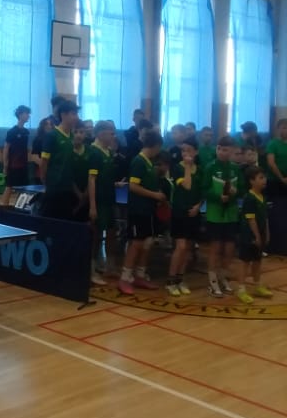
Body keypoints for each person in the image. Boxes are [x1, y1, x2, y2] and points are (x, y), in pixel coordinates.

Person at [119, 130, 165, 295]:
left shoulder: (149, 163)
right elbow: (133, 186)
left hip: (149, 210)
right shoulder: (139, 161)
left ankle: (140, 275)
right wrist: (154, 195)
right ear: (156, 146)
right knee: (137, 243)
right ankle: (125, 278)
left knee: (147, 243)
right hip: (138, 210)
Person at [204, 136, 242, 297]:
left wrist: (235, 192)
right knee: (215, 248)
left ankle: (223, 277)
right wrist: (217, 197)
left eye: (225, 149)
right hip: (215, 214)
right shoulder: (210, 167)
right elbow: (204, 189)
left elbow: (243, 190)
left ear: (232, 151)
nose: (221, 152)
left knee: (229, 249)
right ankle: (212, 281)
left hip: (231, 214)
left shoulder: (235, 169)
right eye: (219, 148)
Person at [165, 140, 202, 296]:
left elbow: (201, 192)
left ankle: (181, 279)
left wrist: (198, 206)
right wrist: (187, 166)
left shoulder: (200, 170)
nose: (185, 153)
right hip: (180, 211)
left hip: (194, 213)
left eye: (189, 150)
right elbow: (187, 185)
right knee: (180, 247)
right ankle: (171, 280)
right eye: (183, 151)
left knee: (187, 248)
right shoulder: (177, 168)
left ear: (196, 152)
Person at [86, 120, 119, 285]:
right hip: (98, 201)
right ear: (101, 134)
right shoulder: (94, 153)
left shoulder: (109, 152)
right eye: (111, 133)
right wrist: (92, 206)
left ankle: (110, 267)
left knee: (112, 232)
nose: (114, 136)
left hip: (109, 199)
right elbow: (92, 180)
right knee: (96, 236)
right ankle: (91, 270)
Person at [37, 100, 81, 220]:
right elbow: (44, 162)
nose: (76, 117)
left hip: (68, 188)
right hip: (54, 188)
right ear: (63, 115)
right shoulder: (52, 136)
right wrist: (46, 181)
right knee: (49, 220)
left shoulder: (72, 137)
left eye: (76, 114)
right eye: (73, 114)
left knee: (65, 221)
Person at [236, 166, 273, 304]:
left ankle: (257, 285)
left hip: (260, 233)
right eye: (261, 178)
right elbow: (251, 220)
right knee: (245, 261)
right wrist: (256, 236)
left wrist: (266, 233)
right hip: (249, 235)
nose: (264, 180)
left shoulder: (263, 197)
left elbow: (265, 218)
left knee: (257, 260)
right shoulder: (249, 198)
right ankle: (241, 289)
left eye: (264, 177)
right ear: (252, 181)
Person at [265, 119, 287, 199]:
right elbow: (271, 163)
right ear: (278, 129)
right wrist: (282, 178)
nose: (286, 130)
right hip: (274, 180)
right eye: (284, 128)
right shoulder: (272, 144)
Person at [5, 105, 32, 199]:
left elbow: (27, 148)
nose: (28, 116)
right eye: (26, 113)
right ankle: (3, 205)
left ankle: (19, 205)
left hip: (24, 165)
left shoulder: (26, 132)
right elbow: (6, 148)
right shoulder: (11, 132)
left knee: (24, 188)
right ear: (20, 115)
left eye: (29, 114)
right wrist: (5, 164)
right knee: (9, 187)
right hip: (13, 165)